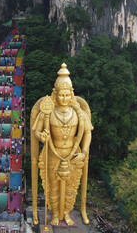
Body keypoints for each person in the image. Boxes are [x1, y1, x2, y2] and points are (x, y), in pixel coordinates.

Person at [31, 63, 92, 226]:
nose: (64, 99)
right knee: (53, 186)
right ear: (55, 94)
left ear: (71, 95)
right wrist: (41, 136)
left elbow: (87, 132)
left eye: (67, 95)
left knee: (71, 186)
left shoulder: (78, 112)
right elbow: (35, 131)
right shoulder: (48, 111)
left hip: (73, 153)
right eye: (61, 95)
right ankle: (55, 215)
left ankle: (66, 213)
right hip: (53, 153)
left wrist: (84, 151)